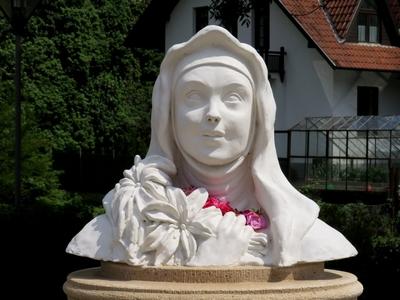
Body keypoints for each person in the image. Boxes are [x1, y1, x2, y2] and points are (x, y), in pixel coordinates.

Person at [67, 25, 356, 267]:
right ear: (168, 115)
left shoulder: (307, 237)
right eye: (193, 96)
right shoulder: (119, 230)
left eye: (233, 98)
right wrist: (207, 264)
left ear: (258, 117)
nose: (212, 113)